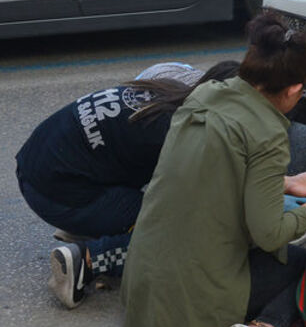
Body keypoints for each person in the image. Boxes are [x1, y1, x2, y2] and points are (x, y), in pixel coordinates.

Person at [121, 13, 306, 327]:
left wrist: (287, 182)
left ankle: (262, 326)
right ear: (294, 90)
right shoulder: (265, 132)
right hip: (189, 303)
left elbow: (210, 176)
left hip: (145, 285)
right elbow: (270, 233)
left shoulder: (206, 95)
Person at [15, 60, 240, 309]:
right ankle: (86, 260)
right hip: (54, 194)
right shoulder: (180, 133)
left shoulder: (169, 88)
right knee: (180, 232)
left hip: (36, 163)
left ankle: (95, 225)